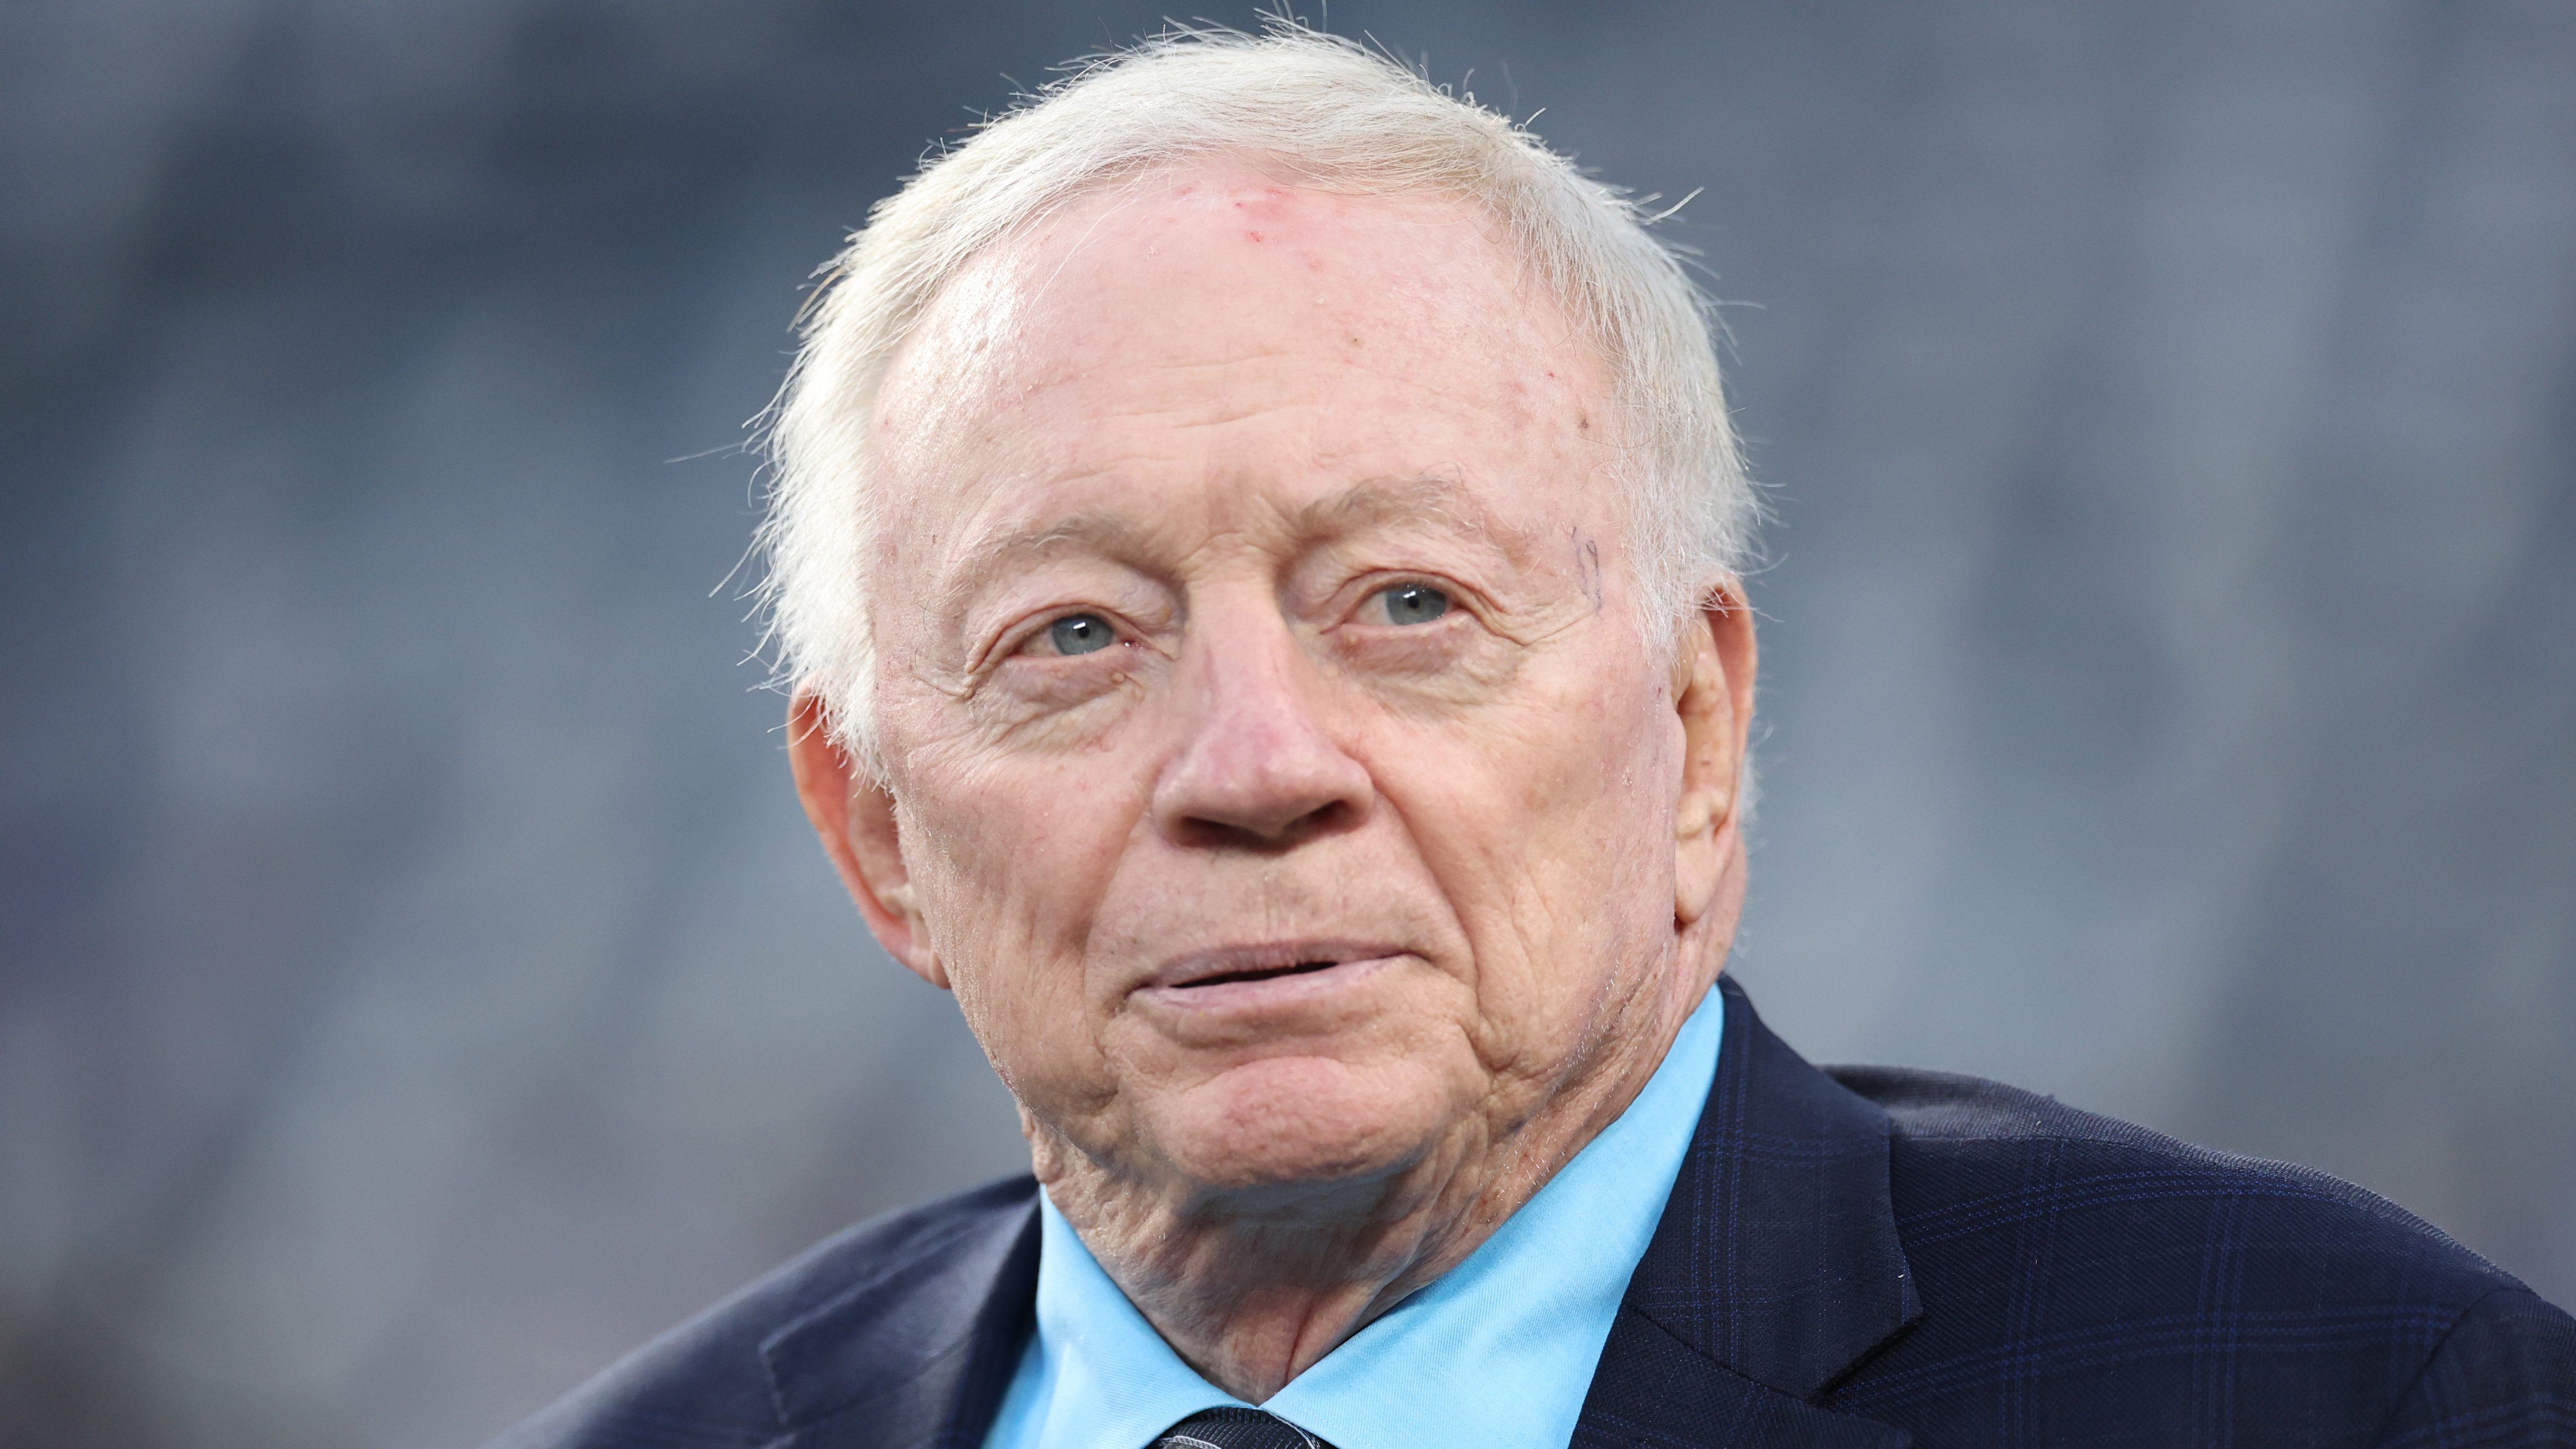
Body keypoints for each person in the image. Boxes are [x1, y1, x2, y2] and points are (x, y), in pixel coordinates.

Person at [491, 25, 2575, 1449]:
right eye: (1072, 638)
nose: (1252, 765)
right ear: (874, 840)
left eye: (1406, 605)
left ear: (1690, 734)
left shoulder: (2343, 1398)